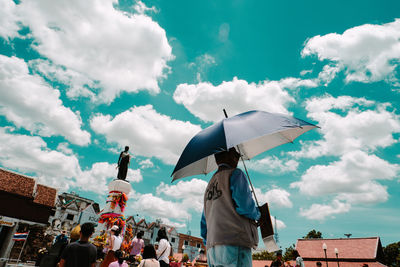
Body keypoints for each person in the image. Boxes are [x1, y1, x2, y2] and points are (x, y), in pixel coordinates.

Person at [200, 147, 260, 267]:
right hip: (234, 242)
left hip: (212, 247)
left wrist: (210, 242)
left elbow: (204, 222)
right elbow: (245, 207)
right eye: (236, 154)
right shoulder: (236, 174)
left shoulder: (210, 185)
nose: (238, 157)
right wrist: (258, 214)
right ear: (230, 156)